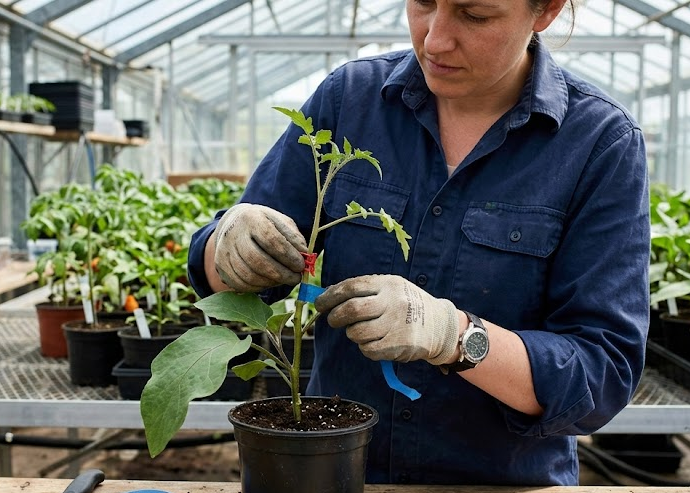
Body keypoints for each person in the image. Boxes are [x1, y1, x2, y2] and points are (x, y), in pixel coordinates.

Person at [187, 0, 650, 486]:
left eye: (475, 15)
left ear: (546, 11)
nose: (434, 40)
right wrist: (229, 245)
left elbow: (601, 374)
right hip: (334, 475)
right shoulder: (349, 101)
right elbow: (226, 282)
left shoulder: (599, 142)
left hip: (499, 483)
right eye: (424, 2)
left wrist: (454, 336)